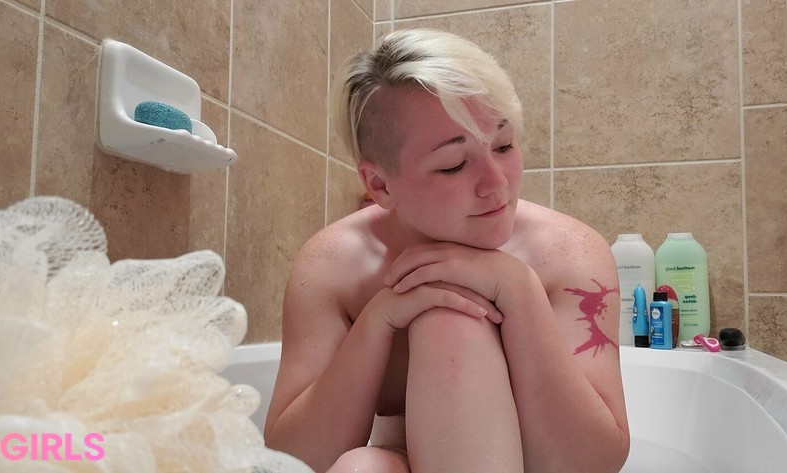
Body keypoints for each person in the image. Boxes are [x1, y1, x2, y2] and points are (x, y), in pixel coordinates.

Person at [264, 29, 630, 473]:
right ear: (379, 185)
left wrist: (519, 291)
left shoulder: (568, 252)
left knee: (451, 318)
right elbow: (294, 461)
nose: (496, 184)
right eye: (453, 165)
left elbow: (594, 462)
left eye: (504, 145)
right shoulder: (334, 265)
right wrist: (379, 320)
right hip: (399, 459)